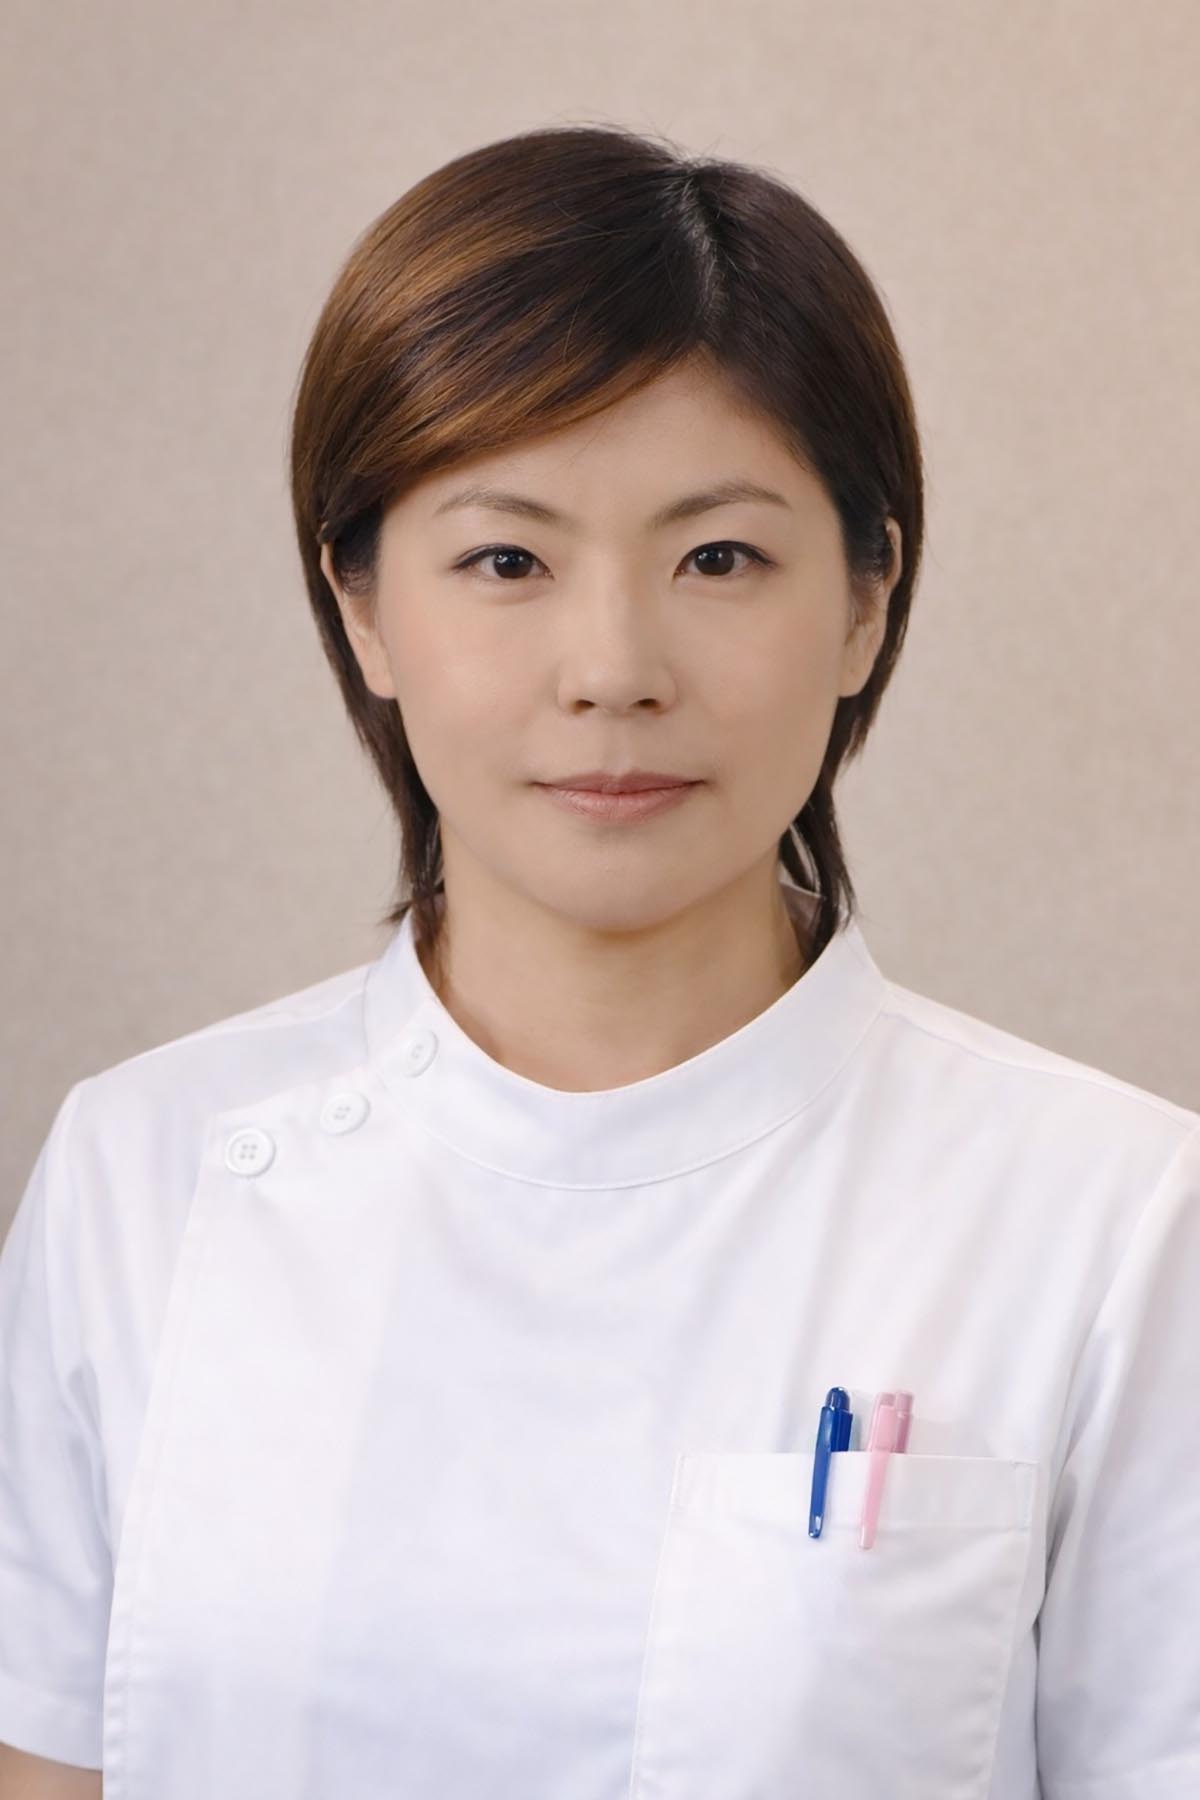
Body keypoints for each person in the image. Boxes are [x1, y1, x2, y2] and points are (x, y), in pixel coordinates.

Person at [1, 122, 1197, 1800]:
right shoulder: (142, 1177)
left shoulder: (1114, 1219)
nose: (613, 665)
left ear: (865, 601)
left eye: (720, 557)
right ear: (363, 606)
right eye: (507, 559)